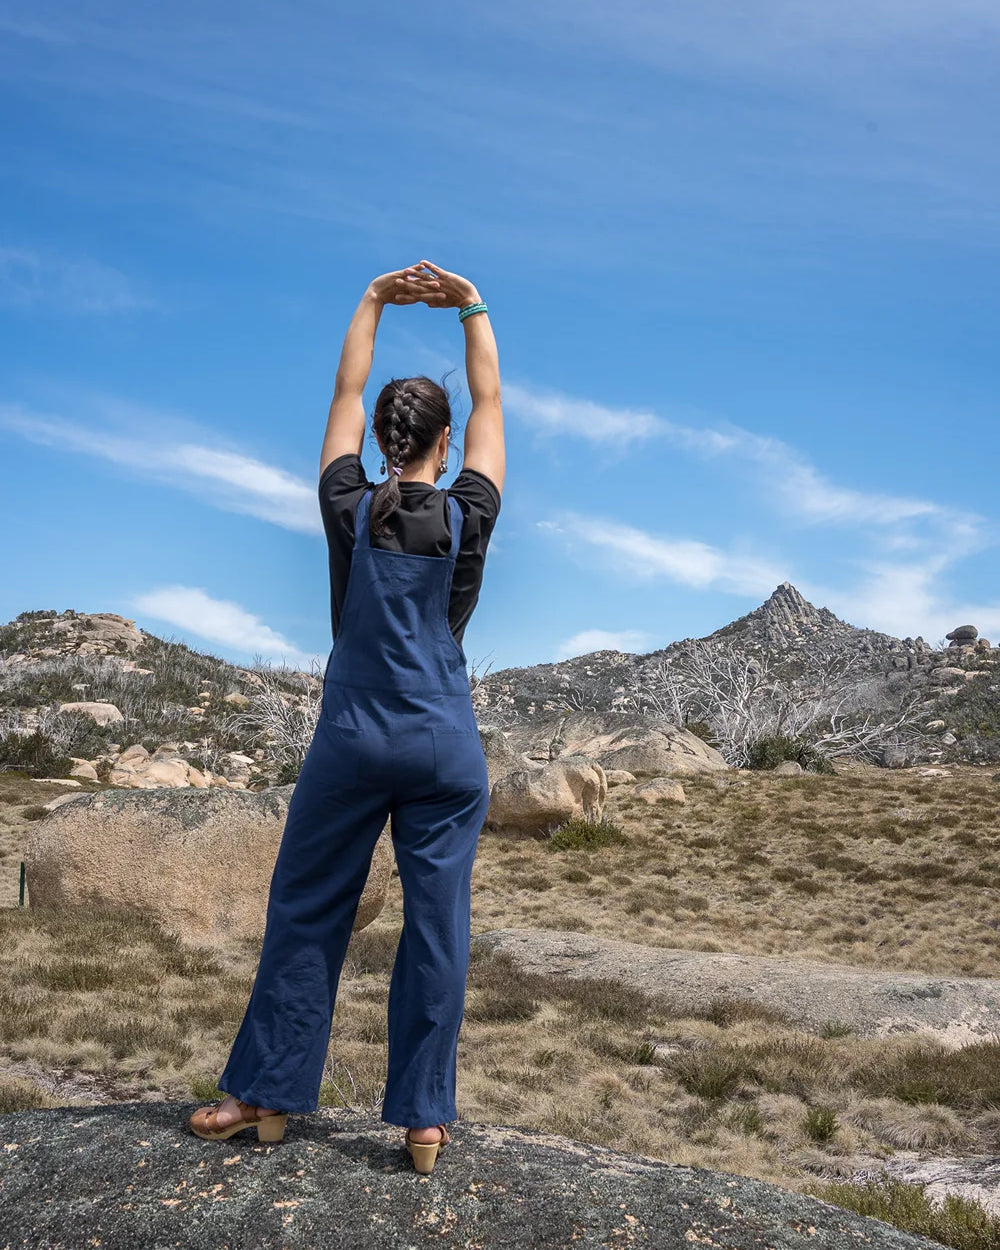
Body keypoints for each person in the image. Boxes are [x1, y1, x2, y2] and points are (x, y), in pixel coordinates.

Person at [187, 261, 504, 1175]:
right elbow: (490, 400)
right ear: (443, 443)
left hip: (354, 734)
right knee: (438, 926)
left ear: (378, 441)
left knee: (307, 911)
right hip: (445, 742)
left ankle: (265, 1098)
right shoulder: (470, 512)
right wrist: (470, 303)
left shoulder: (345, 503)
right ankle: (424, 1123)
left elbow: (345, 386)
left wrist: (372, 298)